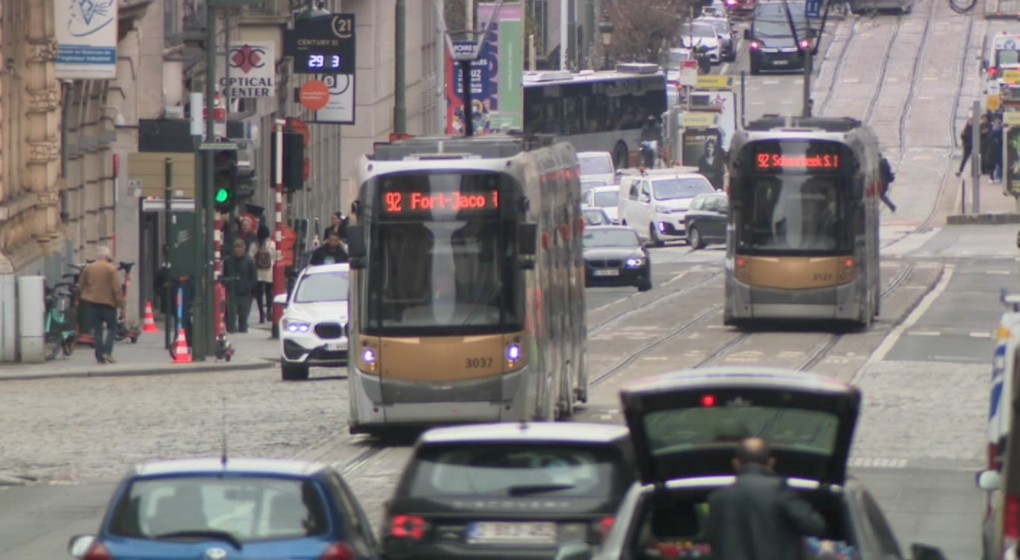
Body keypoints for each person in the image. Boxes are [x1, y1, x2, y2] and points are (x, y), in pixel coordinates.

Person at [706, 438, 826, 560]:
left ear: (736, 463)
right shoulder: (779, 490)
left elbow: (712, 538)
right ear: (771, 463)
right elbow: (815, 526)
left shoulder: (717, 499)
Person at [78, 246, 125, 364]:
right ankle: (107, 352)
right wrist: (121, 304)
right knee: (112, 328)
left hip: (93, 302)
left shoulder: (89, 268)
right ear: (107, 257)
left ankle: (99, 355)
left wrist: (80, 297)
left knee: (97, 330)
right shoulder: (111, 269)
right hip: (109, 303)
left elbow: (81, 284)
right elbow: (116, 289)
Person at [223, 238, 258, 333]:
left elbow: (253, 278)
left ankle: (242, 329)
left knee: (243, 316)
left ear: (244, 248)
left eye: (240, 248)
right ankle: (232, 329)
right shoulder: (228, 261)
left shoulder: (250, 261)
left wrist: (248, 288)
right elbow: (225, 275)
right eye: (236, 248)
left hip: (245, 294)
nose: (238, 251)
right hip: (232, 293)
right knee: (231, 314)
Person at [249, 224, 276, 324]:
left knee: (259, 294)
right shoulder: (271, 244)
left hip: (258, 271)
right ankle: (269, 310)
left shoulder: (254, 245)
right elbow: (275, 256)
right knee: (269, 292)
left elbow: (250, 257)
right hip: (269, 271)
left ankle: (261, 314)